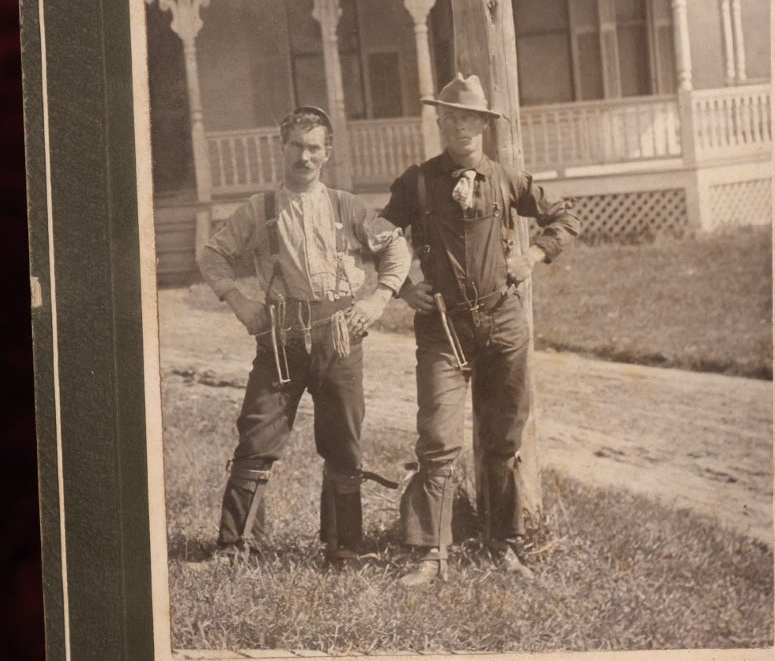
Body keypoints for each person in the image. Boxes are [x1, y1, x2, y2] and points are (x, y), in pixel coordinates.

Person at [383, 74, 580, 586]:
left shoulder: (508, 180)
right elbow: (379, 235)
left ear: (484, 126)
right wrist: (405, 285)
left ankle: (504, 543)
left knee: (502, 438)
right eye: (453, 117)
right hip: (443, 328)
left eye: (472, 118)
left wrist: (533, 255)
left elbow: (565, 217)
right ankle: (430, 552)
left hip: (503, 322)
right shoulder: (419, 182)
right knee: (439, 437)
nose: (462, 126)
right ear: (441, 121)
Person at [198, 105, 410, 564]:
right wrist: (238, 301)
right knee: (257, 435)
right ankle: (236, 546)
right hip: (280, 340)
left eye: (314, 148)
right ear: (283, 148)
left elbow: (396, 248)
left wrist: (377, 300)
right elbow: (213, 255)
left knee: (343, 442)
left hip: (339, 337)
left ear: (327, 153)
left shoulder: (347, 206)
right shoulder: (260, 209)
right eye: (296, 145)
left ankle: (345, 547)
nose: (304, 157)